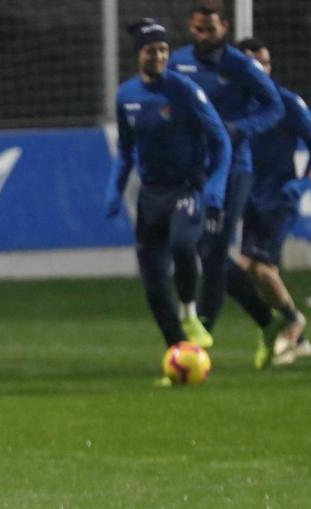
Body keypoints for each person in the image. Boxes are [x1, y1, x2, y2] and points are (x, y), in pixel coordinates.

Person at [105, 19, 231, 384]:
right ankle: (178, 351)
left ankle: (190, 311)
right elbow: (126, 151)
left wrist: (215, 189)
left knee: (182, 244)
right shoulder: (126, 95)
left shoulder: (185, 91)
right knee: (154, 283)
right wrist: (115, 190)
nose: (160, 55)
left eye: (164, 49)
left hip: (186, 188)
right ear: (138, 55)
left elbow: (220, 140)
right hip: (151, 195)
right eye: (152, 50)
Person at [168, 0, 286, 358]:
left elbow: (274, 107)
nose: (205, 34)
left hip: (234, 169)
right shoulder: (178, 63)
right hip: (194, 170)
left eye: (213, 28)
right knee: (203, 250)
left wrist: (239, 129)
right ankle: (267, 321)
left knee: (214, 249)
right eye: (200, 28)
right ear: (192, 26)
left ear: (225, 29)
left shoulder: (241, 66)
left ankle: (201, 331)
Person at [237, 37, 311, 366]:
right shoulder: (235, 107)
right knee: (256, 271)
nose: (262, 70)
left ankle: (294, 320)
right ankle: (302, 342)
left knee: (254, 266)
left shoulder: (288, 103)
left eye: (266, 63)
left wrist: (302, 183)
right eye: (255, 64)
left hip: (280, 198)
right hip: (249, 199)